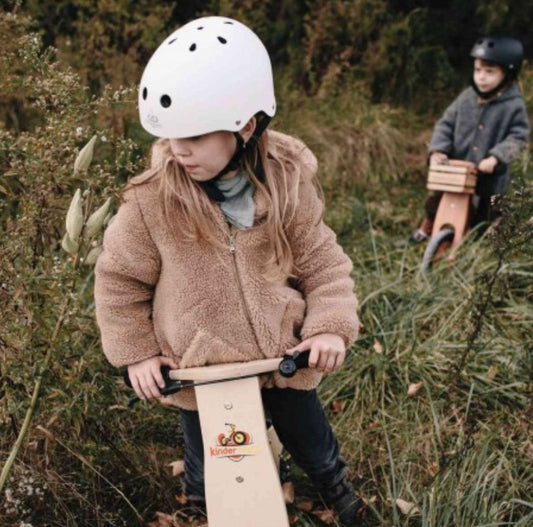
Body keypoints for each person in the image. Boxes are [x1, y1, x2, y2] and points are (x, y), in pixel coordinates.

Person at [94, 16, 362, 525]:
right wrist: (137, 354)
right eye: (172, 136)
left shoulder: (286, 184)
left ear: (244, 125)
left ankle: (335, 489)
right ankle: (199, 507)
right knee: (209, 464)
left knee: (313, 441)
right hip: (203, 369)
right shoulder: (153, 200)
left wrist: (329, 328)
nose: (179, 149)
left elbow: (325, 265)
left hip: (285, 360)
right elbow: (119, 281)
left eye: (194, 135)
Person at [411, 36, 530, 242]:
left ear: (508, 73)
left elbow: (519, 137)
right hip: (458, 169)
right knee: (437, 201)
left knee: (488, 213)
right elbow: (445, 124)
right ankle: (428, 227)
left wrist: (496, 157)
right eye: (478, 70)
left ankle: (486, 243)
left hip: (489, 174)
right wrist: (438, 150)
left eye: (489, 72)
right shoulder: (467, 98)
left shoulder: (513, 105)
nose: (481, 77)